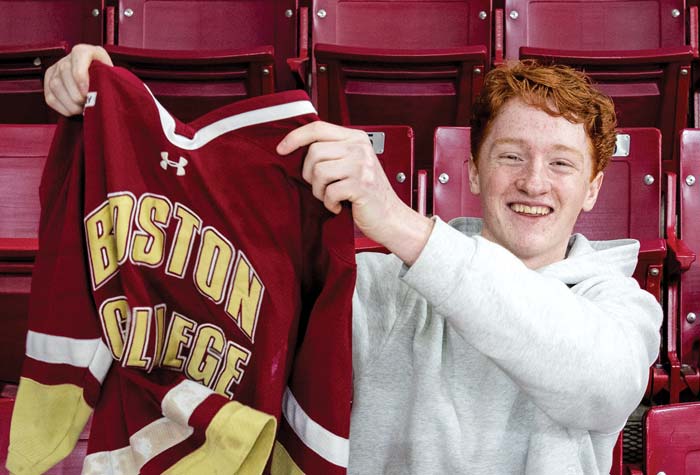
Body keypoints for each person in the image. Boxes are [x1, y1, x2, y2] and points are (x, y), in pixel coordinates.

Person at [44, 46, 662, 474]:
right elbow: (209, 303)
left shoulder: (621, 306)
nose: (534, 181)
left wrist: (396, 221)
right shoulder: (381, 285)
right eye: (510, 156)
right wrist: (103, 118)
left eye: (561, 163)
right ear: (472, 169)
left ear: (595, 188)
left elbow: (598, 385)